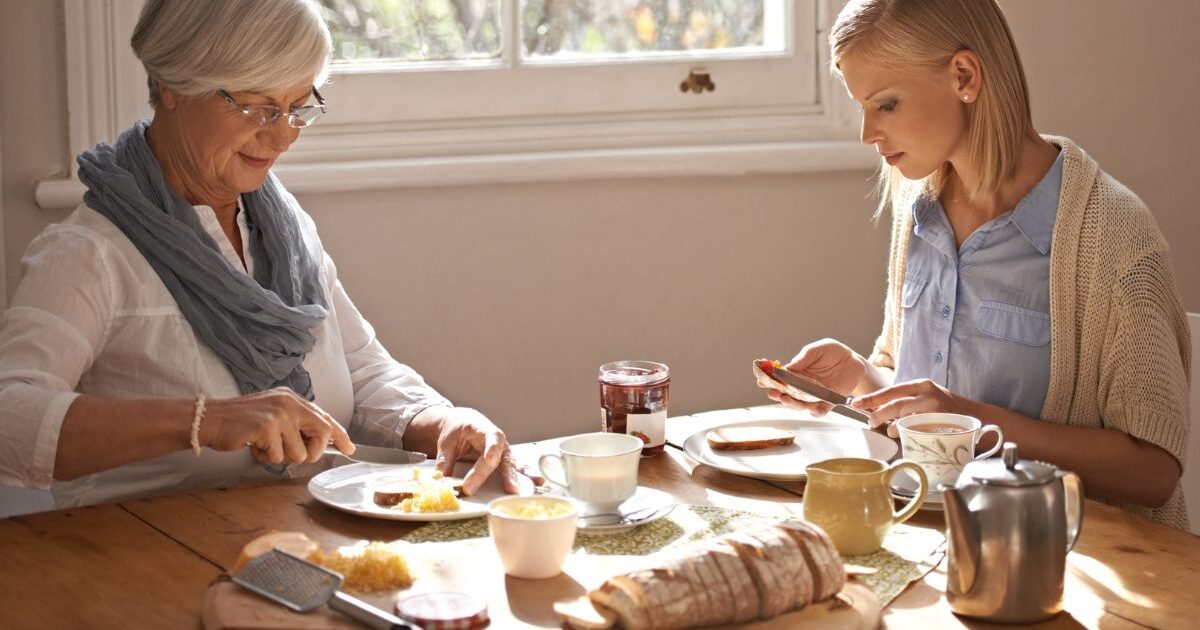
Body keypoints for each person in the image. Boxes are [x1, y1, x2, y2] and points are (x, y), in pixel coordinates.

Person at [0, 0, 531, 509]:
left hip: (285, 538)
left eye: (298, 108)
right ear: (172, 86)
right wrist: (205, 421)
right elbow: (10, 418)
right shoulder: (89, 253)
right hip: (136, 562)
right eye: (257, 106)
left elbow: (358, 368)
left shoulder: (281, 226)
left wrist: (443, 421)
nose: (281, 137)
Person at [762, 0, 1190, 529]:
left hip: (1054, 563)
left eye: (887, 105)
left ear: (964, 75)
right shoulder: (918, 207)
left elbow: (1154, 473)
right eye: (863, 108)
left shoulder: (1114, 237)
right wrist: (860, 377)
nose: (867, 133)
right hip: (921, 533)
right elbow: (922, 407)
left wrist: (970, 419)